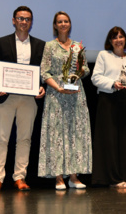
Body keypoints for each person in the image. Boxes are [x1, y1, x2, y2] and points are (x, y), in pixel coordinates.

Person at [0, 6, 46, 193]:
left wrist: (42, 85)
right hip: (6, 98)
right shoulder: (2, 42)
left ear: (31, 22)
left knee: (24, 139)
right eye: (20, 18)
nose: (24, 22)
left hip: (29, 99)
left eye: (27, 19)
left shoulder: (40, 45)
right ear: (14, 21)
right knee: (1, 138)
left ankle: (20, 177)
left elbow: (42, 73)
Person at [38, 11, 92, 190]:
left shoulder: (78, 46)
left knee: (75, 133)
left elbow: (85, 68)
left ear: (70, 24)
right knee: (57, 135)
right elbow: (44, 72)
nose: (63, 24)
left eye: (66, 21)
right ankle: (59, 178)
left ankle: (74, 177)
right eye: (59, 22)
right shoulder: (49, 46)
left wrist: (79, 73)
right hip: (56, 94)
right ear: (55, 25)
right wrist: (58, 87)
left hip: (76, 94)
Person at [91, 26, 126, 188]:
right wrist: (113, 83)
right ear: (110, 41)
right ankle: (112, 178)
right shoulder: (103, 55)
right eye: (115, 37)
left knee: (125, 140)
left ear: (125, 39)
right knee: (110, 140)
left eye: (121, 37)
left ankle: (124, 176)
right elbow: (95, 78)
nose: (118, 40)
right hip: (108, 100)